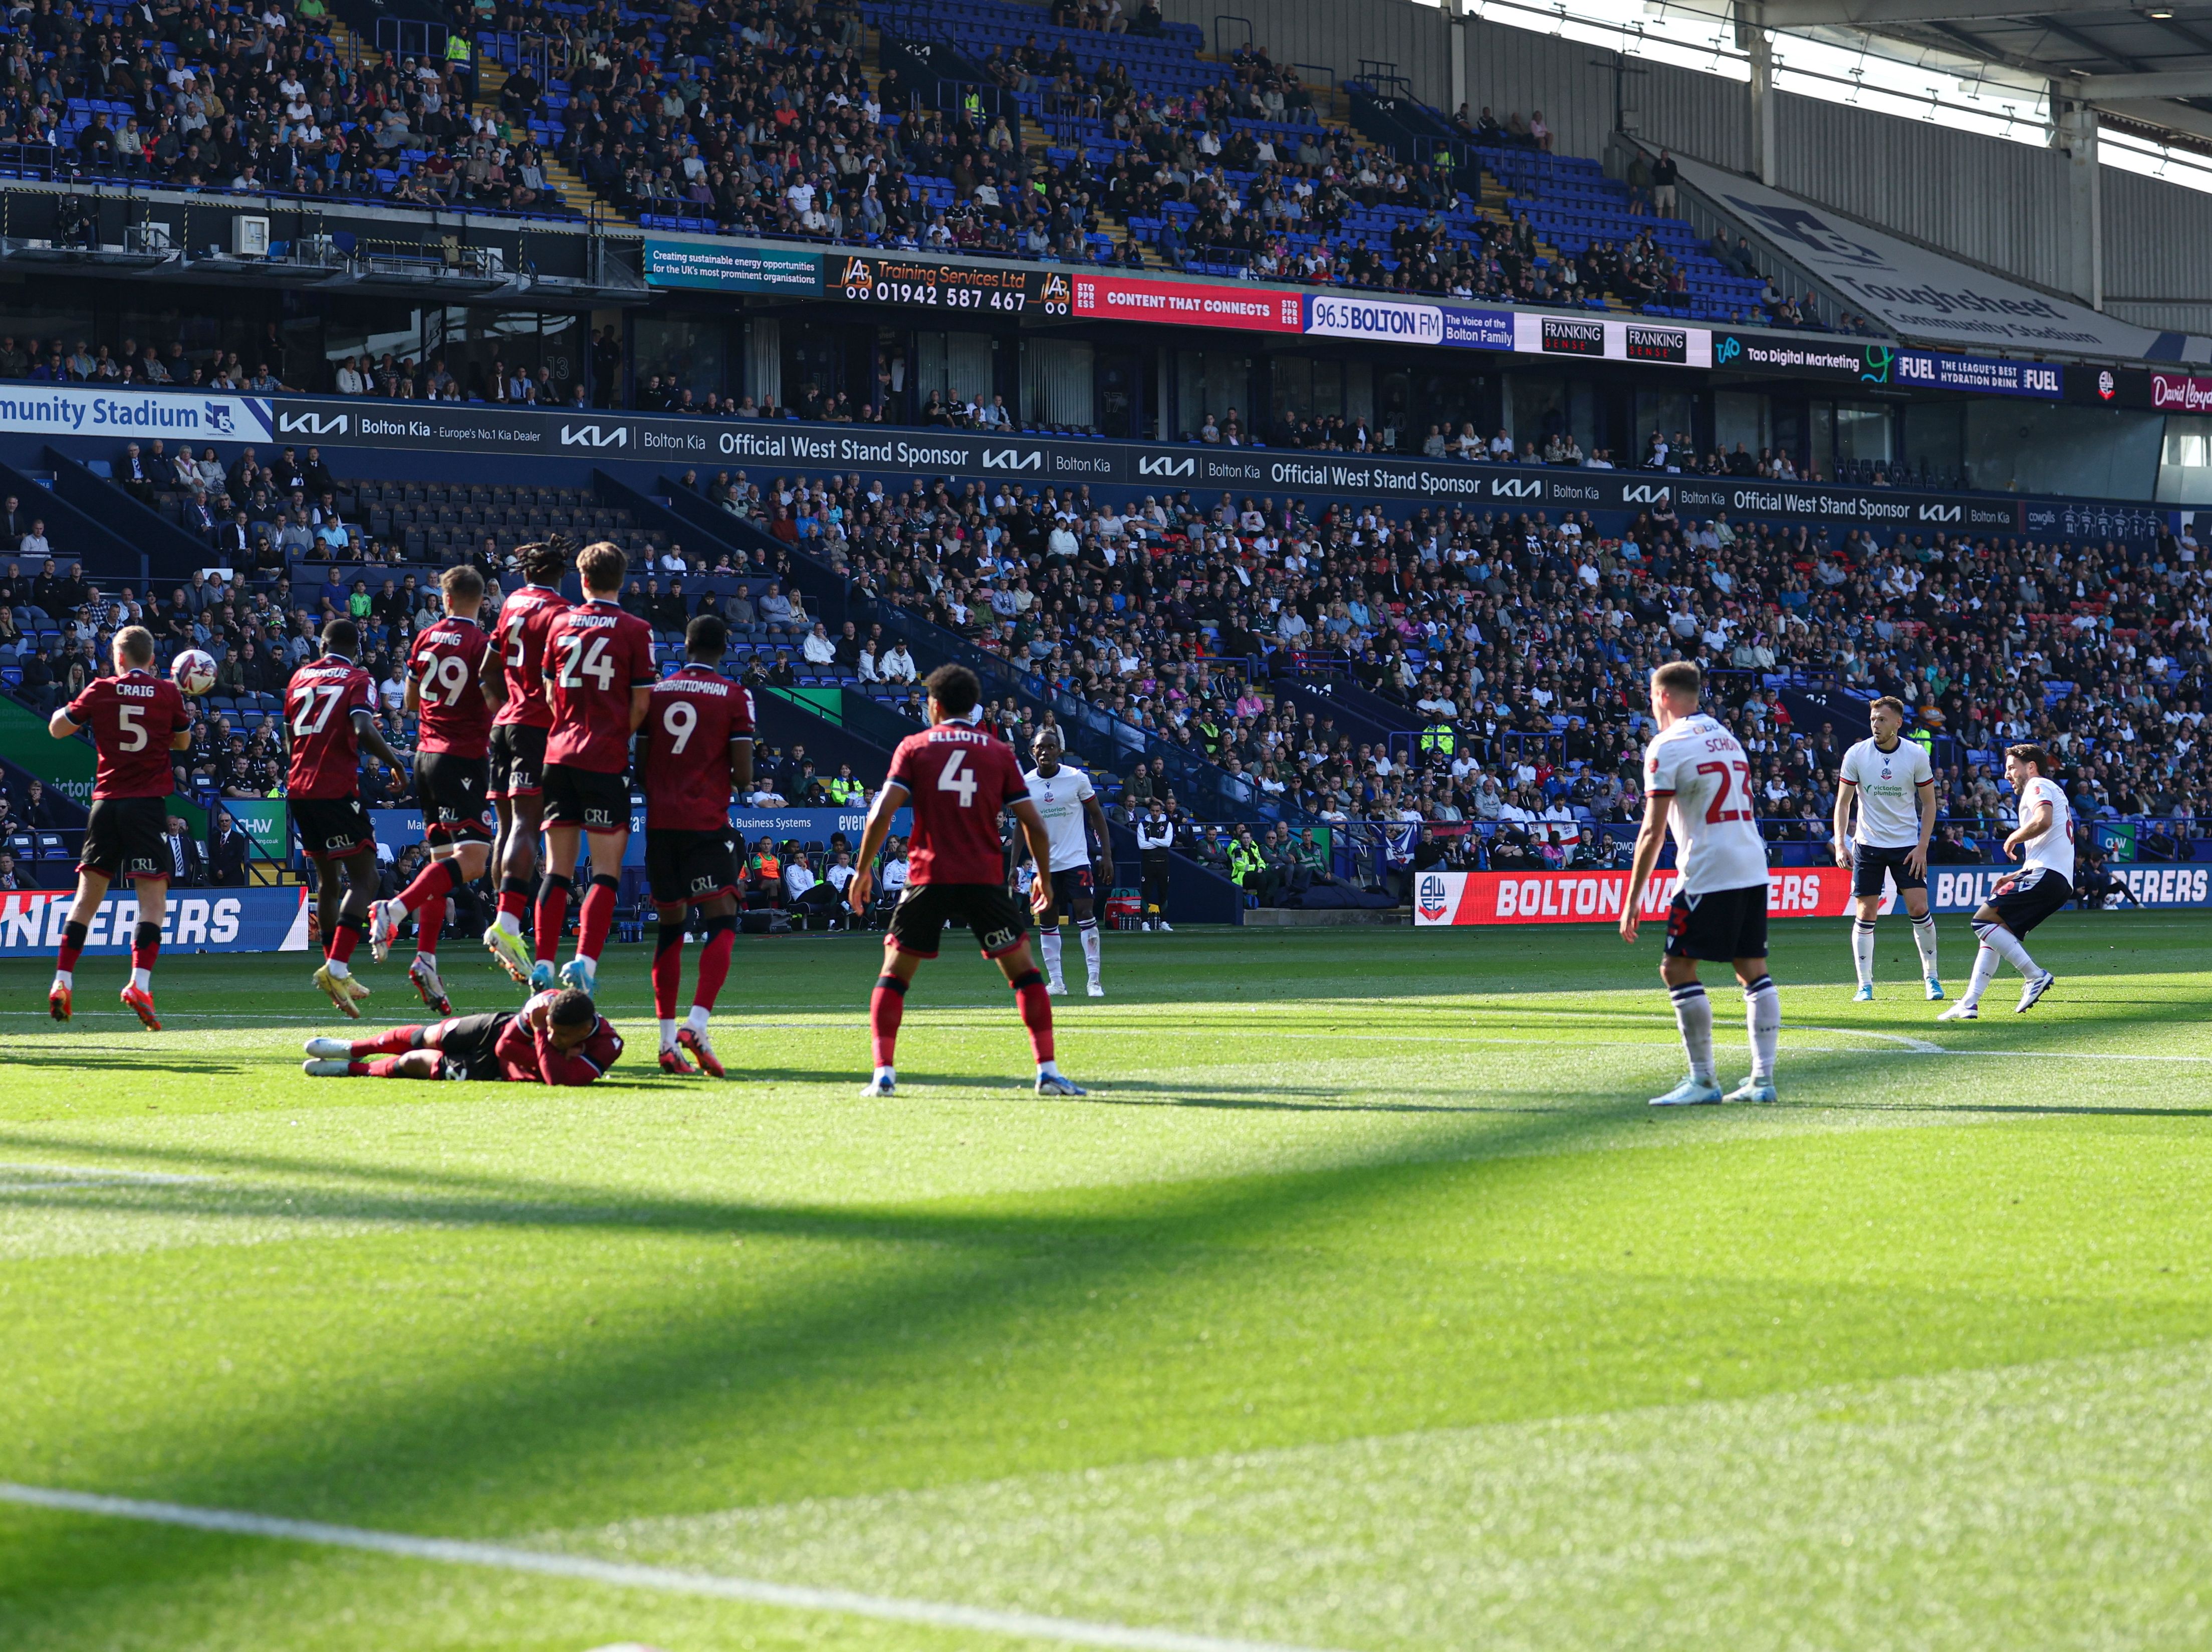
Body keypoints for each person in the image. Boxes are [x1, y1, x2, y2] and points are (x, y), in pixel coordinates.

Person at [844, 663, 1082, 1097]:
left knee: (894, 977)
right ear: (974, 707)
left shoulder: (914, 746)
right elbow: (1033, 825)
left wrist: (862, 870)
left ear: (933, 705)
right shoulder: (998, 753)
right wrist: (1044, 880)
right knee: (1026, 976)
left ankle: (883, 1075)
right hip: (983, 879)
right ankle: (1047, 1071)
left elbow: (881, 812)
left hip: (928, 876)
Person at [1619, 660, 1780, 1106]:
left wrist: (1632, 898)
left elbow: (1652, 831)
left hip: (1710, 868)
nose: (1652, 706)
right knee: (1751, 969)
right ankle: (1762, 1081)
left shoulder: (1665, 746)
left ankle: (1703, 1080)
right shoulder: (1726, 737)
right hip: (1751, 861)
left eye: (1652, 698)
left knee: (1676, 968)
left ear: (1664, 697)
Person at [368, 564, 505, 1015]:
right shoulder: (482, 645)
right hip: (462, 757)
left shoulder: (425, 639)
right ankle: (395, 908)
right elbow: (494, 702)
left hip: (426, 755)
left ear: (444, 599)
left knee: (442, 862)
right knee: (475, 859)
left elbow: (408, 703)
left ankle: (426, 957)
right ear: (481, 601)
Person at [45, 626, 192, 1027]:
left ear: (119, 658)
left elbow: (58, 729)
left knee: (86, 899)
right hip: (146, 806)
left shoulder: (101, 688)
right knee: (152, 903)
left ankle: (62, 981)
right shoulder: (168, 693)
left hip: (106, 804)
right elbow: (182, 744)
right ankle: (139, 983)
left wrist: (70, 709)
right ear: (151, 658)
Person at [533, 541, 656, 995]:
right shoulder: (636, 629)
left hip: (558, 755)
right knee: (604, 872)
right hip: (603, 760)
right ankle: (584, 961)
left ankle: (543, 963)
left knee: (556, 871)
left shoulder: (558, 623)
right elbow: (642, 704)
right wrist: (611, 735)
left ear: (581, 579)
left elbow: (548, 696)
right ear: (621, 580)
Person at [640, 613, 754, 1076]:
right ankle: (698, 1022)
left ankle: (667, 1042)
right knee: (722, 920)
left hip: (661, 826)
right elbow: (744, 776)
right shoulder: (734, 696)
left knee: (670, 929)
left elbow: (643, 765)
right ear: (723, 648)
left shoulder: (656, 694)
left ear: (684, 646)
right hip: (705, 823)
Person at [286, 618, 409, 1016]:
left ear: (322, 645)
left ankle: (334, 968)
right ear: (356, 647)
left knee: (327, 881)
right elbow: (362, 725)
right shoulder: (359, 678)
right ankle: (336, 966)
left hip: (299, 788)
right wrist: (395, 762)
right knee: (366, 877)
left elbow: (291, 734)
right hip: (334, 788)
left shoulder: (299, 677)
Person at [482, 542, 572, 984]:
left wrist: (506, 707)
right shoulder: (561, 612)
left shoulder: (512, 603)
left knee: (507, 826)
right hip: (536, 727)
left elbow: (488, 670)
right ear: (561, 572)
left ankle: (507, 921)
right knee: (527, 825)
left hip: (505, 723)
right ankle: (508, 923)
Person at [1939, 744, 2070, 1021]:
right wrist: (2016, 874)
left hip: (2047, 874)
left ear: (2031, 767)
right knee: (1994, 932)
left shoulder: (2037, 785)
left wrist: (2013, 838)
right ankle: (1969, 1003)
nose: (2008, 774)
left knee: (1982, 921)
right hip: (2054, 877)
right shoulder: (2050, 789)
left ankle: (2035, 976)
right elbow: (2050, 841)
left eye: (2012, 767)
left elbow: (2043, 820)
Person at [1832, 695, 1941, 1001]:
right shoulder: (1856, 754)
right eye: (1873, 719)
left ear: (1898, 722)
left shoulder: (1916, 754)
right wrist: (1840, 842)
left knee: (1919, 909)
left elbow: (1930, 804)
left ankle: (1932, 979)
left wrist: (1922, 847)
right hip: (1868, 844)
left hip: (1907, 845)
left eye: (1882, 719)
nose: (1876, 724)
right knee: (1866, 913)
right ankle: (1864, 985)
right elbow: (1843, 803)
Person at [302, 987, 622, 1084]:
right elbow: (505, 1044)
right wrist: (547, 1045)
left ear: (584, 1029)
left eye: (561, 1035)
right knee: (428, 1036)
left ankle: (352, 1069)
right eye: (550, 1027)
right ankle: (354, 1048)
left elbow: (558, 1080)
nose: (553, 1035)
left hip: (496, 1071)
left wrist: (539, 1033)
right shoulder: (546, 1006)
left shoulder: (607, 1044)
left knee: (414, 1063)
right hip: (495, 1029)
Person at [1023, 727, 1112, 996]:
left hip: (1076, 861)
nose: (1046, 752)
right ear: (1032, 752)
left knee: (1086, 914)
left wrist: (1105, 854)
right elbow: (1020, 826)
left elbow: (1097, 815)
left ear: (1060, 751)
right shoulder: (1026, 783)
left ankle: (1094, 981)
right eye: (1041, 747)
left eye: (1051, 747)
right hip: (1043, 867)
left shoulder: (1076, 778)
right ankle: (1057, 983)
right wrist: (1016, 864)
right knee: (1048, 920)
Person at [1136, 797, 1177, 931]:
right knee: (1146, 892)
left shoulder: (1168, 825)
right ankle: (1144, 922)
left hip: (1163, 863)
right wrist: (1159, 842)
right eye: (1153, 811)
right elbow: (1142, 845)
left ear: (1161, 812)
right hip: (1148, 863)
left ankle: (1164, 921)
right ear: (1150, 811)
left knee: (1163, 892)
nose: (1155, 814)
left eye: (1157, 811)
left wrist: (1152, 840)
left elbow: (1167, 844)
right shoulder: (1143, 825)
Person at [208, 804, 250, 886]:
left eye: (227, 821)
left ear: (231, 822)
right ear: (219, 823)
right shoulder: (214, 838)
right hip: (216, 878)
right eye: (222, 821)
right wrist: (217, 871)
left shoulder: (238, 838)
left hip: (233, 878)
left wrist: (223, 872)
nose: (224, 823)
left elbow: (237, 859)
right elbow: (211, 856)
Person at [160, 814, 205, 887]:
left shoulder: (187, 840)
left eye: (175, 825)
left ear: (178, 826)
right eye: (170, 825)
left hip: (186, 880)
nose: (172, 828)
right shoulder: (163, 841)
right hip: (169, 881)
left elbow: (194, 858)